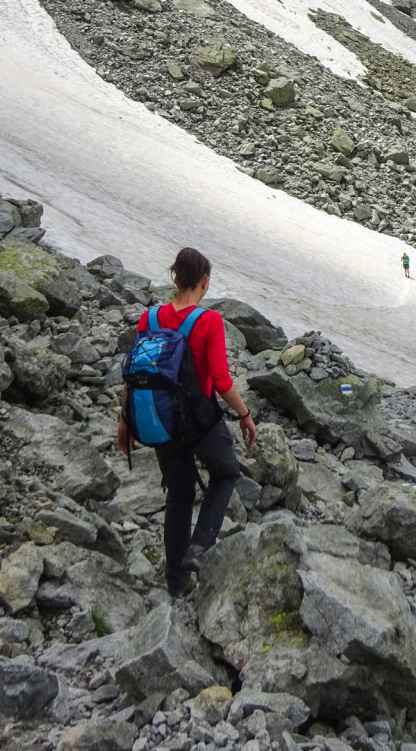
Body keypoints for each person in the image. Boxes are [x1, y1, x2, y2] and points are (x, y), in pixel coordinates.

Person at [117, 247, 257, 597]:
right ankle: (199, 547)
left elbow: (133, 377)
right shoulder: (208, 321)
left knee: (179, 494)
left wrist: (125, 421)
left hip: (159, 420)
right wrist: (245, 415)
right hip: (200, 421)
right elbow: (222, 381)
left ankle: (176, 580)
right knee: (225, 473)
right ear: (204, 283)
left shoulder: (148, 319)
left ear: (175, 278)